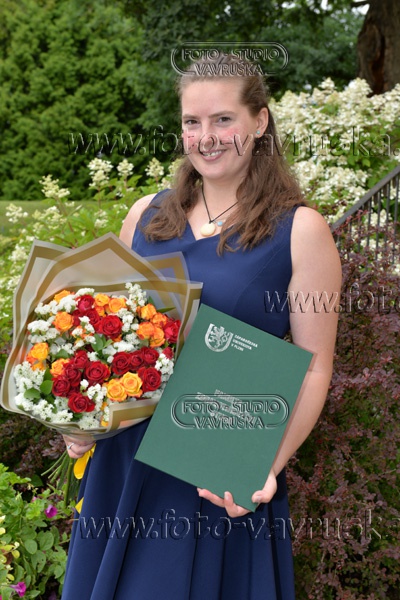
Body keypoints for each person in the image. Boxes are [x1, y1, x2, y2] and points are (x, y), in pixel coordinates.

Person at [61, 54, 341, 599]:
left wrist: (266, 466)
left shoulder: (300, 231)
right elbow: (106, 336)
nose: (206, 137)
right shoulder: (145, 215)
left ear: (259, 121)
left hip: (218, 470)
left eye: (223, 119)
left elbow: (314, 368)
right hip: (126, 458)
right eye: (193, 122)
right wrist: (81, 419)